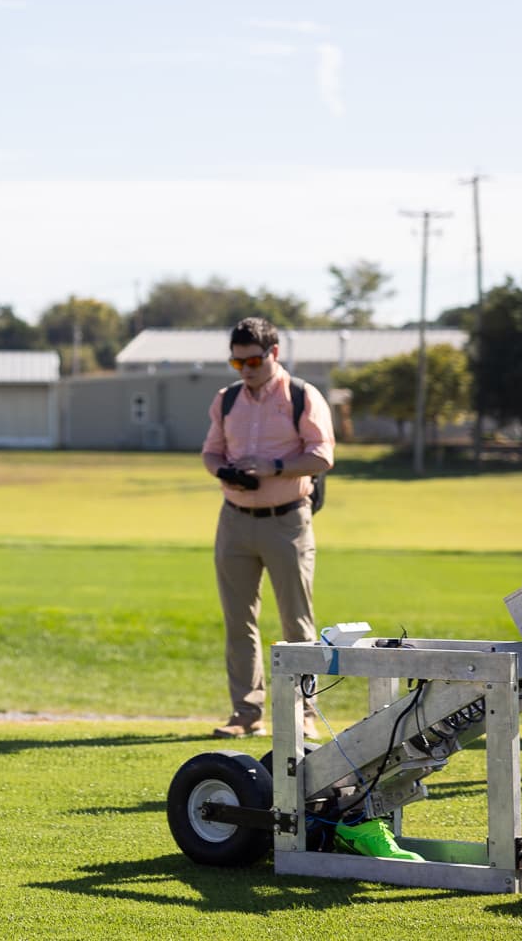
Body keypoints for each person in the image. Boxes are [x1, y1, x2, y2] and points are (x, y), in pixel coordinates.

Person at [201, 316, 334, 741]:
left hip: (287, 521)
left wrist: (274, 467)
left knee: (297, 624)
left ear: (273, 353)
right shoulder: (226, 400)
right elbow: (210, 451)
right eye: (237, 363)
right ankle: (246, 712)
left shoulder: (301, 397)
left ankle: (304, 714)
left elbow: (321, 456)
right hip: (235, 520)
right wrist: (224, 471)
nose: (246, 370)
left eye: (253, 361)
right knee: (239, 622)